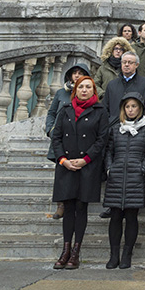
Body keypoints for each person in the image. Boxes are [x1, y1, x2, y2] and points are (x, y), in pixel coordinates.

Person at [51, 76, 109, 270]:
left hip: (87, 166)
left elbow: (102, 139)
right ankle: (65, 249)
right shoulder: (65, 110)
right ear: (75, 89)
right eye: (81, 87)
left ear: (94, 90)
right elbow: (56, 136)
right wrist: (63, 160)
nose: (84, 90)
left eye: (88, 87)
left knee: (81, 207)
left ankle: (76, 251)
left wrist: (86, 159)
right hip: (66, 165)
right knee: (68, 208)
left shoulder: (100, 112)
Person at [103, 92, 145, 269]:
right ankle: (113, 255)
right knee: (115, 216)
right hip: (117, 176)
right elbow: (109, 151)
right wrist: (110, 168)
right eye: (127, 106)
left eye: (134, 106)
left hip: (135, 177)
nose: (131, 110)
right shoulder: (116, 127)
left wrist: (142, 168)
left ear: (140, 108)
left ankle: (127, 254)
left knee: (132, 217)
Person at [45, 64, 89, 220]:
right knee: (61, 172)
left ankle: (72, 202)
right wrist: (50, 129)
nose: (77, 76)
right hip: (60, 138)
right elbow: (51, 113)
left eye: (81, 73)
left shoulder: (87, 94)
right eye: (74, 73)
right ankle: (60, 204)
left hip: (78, 139)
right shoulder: (61, 93)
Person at [102, 52, 145, 127]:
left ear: (136, 65)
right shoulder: (112, 84)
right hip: (114, 128)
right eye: (124, 62)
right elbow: (105, 107)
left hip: (137, 128)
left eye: (130, 62)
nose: (126, 65)